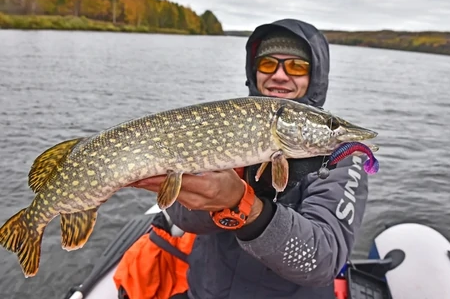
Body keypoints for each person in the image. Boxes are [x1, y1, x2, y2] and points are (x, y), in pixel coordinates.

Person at [129, 18, 370, 299]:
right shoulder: (225, 127)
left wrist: (245, 206)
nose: (280, 75)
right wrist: (219, 198)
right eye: (268, 64)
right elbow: (182, 218)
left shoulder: (342, 154)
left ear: (314, 77)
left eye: (296, 66)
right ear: (254, 71)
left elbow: (321, 261)